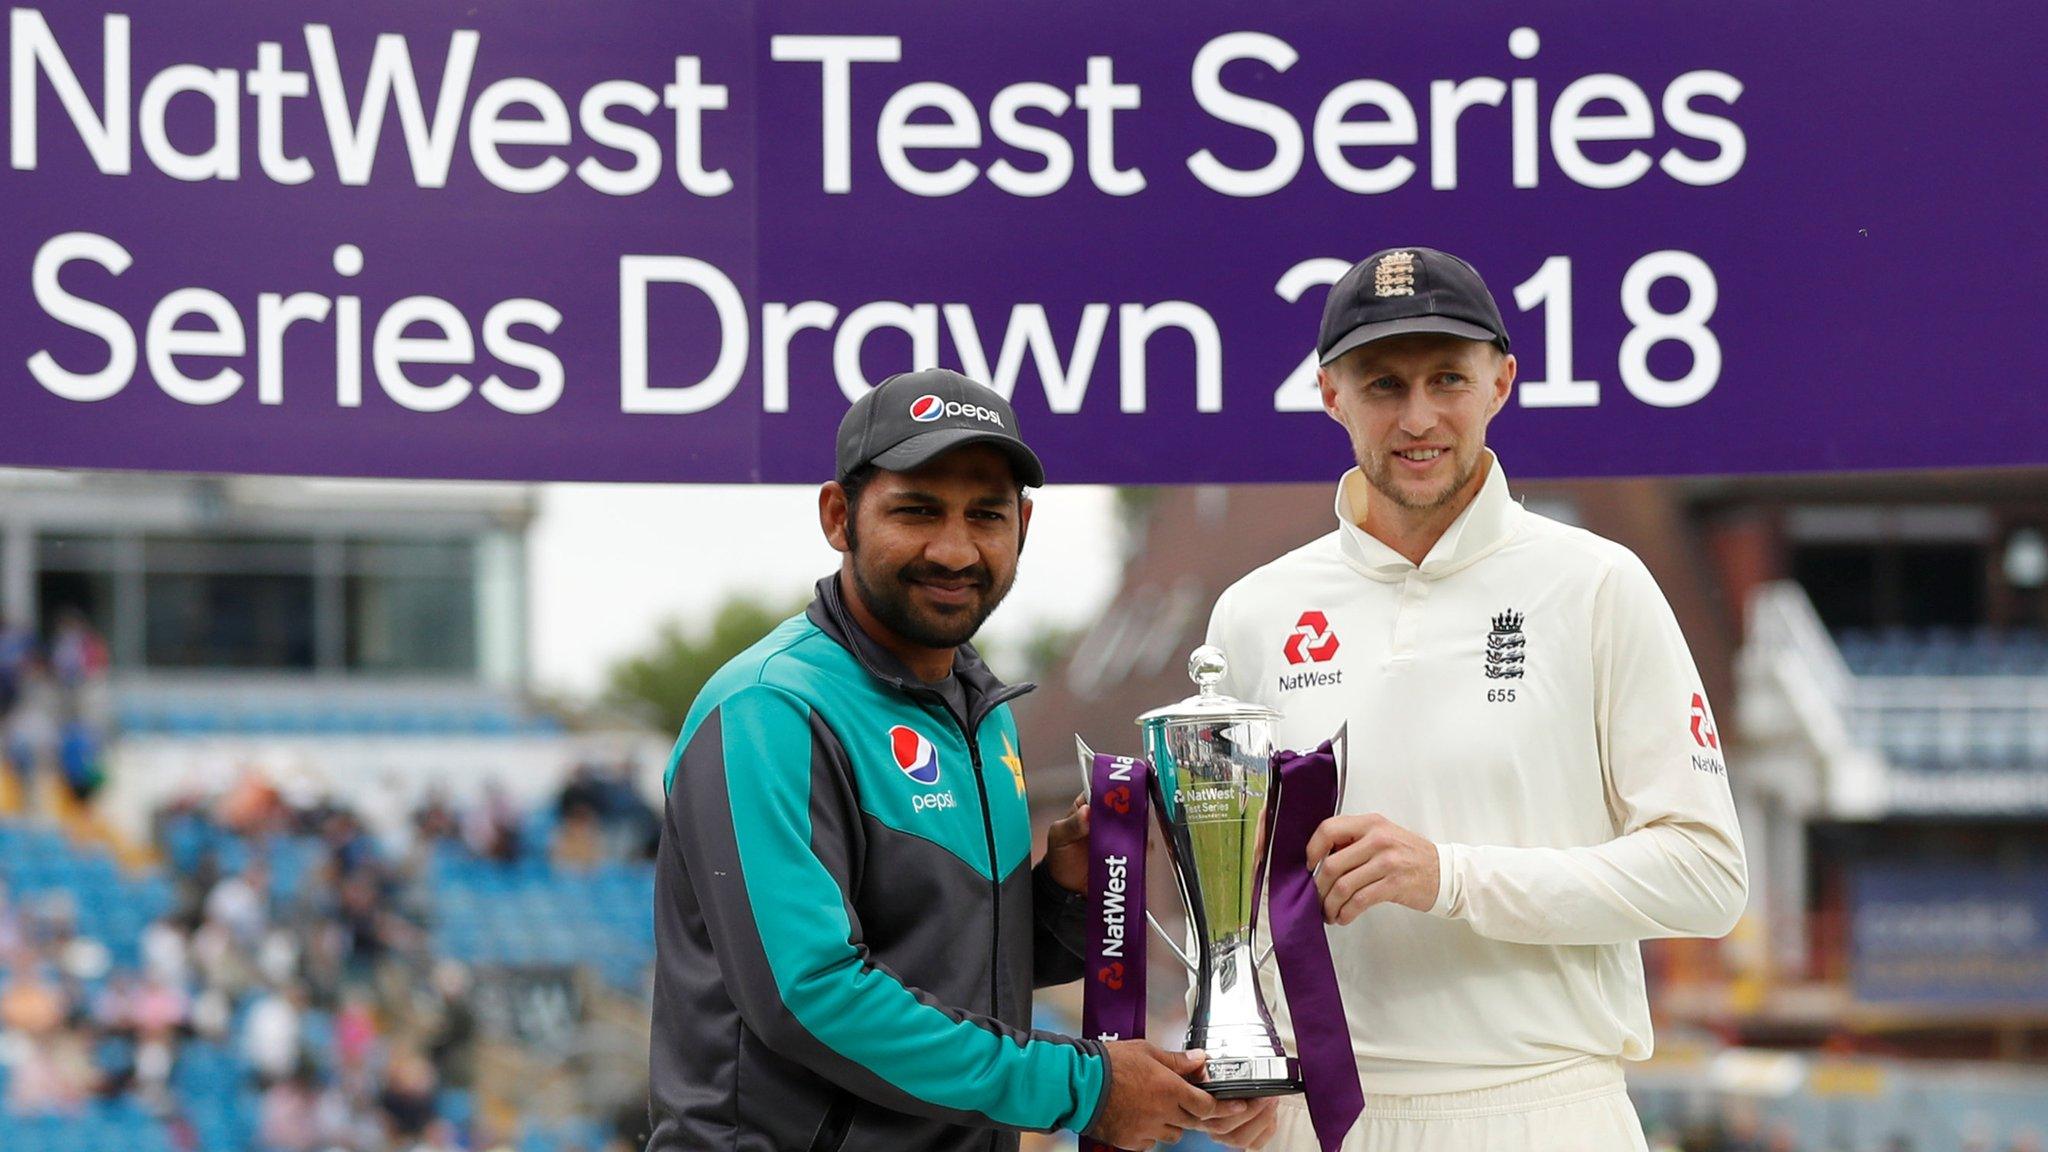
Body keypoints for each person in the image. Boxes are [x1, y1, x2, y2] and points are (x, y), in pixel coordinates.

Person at [1203, 248, 1748, 1151]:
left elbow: (1708, 878)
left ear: (1502, 382)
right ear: (1330, 395)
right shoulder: (1254, 614)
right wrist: (1240, 1052)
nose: (1418, 418)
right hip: (1313, 1120)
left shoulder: (1598, 585)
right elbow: (1237, 890)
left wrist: (1449, 878)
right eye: (1383, 384)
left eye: (1446, 378)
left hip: (1541, 1107)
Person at [648, 368, 1245, 1151]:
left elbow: (945, 968)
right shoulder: (770, 710)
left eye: (986, 515)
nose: (955, 549)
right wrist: (1085, 1088)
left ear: (1022, 526)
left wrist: (1063, 896)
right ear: (839, 516)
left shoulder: (978, 711)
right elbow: (811, 996)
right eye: (917, 510)